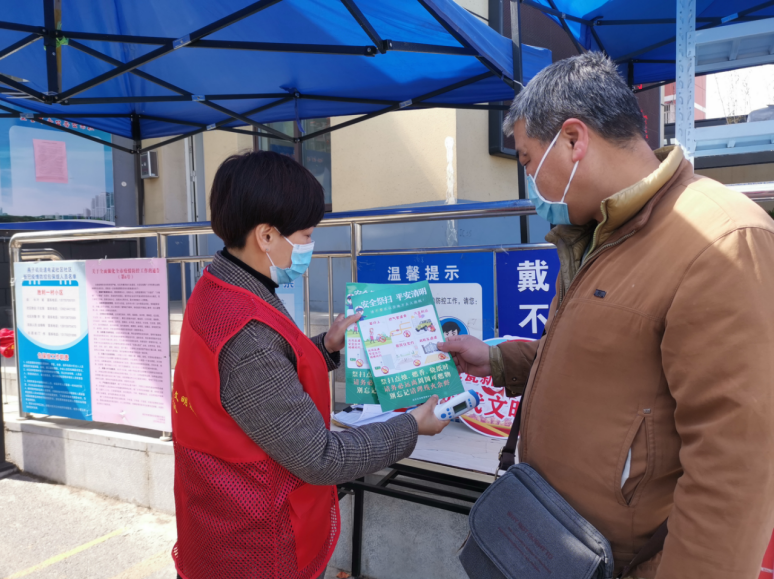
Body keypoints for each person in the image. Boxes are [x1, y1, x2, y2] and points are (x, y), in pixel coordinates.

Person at [438, 52, 774, 579]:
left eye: (527, 160)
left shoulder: (721, 240)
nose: (530, 182)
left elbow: (737, 468)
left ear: (574, 140)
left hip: (629, 562)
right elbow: (591, 354)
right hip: (558, 543)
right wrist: (497, 359)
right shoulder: (596, 232)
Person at [171, 151, 449, 579]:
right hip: (256, 547)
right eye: (305, 234)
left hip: (216, 520)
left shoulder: (217, 286)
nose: (309, 247)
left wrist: (325, 346)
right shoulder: (248, 333)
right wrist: (411, 426)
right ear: (266, 236)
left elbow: (259, 390)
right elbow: (320, 458)